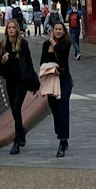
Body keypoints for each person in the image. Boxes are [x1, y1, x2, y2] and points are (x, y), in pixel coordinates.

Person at [0, 18, 35, 154]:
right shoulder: (3, 44)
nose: (11, 29)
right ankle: (21, 130)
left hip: (21, 81)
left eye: (13, 27)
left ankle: (16, 141)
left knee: (17, 108)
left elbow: (27, 64)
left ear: (17, 29)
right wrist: (2, 61)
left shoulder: (23, 44)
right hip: (10, 80)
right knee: (14, 110)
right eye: (9, 27)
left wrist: (34, 83)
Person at [40, 20, 73, 156]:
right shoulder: (46, 45)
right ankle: (61, 133)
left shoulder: (66, 43)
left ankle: (62, 140)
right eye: (56, 29)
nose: (58, 31)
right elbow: (42, 62)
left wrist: (53, 42)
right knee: (54, 109)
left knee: (63, 109)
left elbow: (62, 55)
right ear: (52, 31)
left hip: (64, 81)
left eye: (61, 29)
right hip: (51, 81)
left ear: (64, 32)